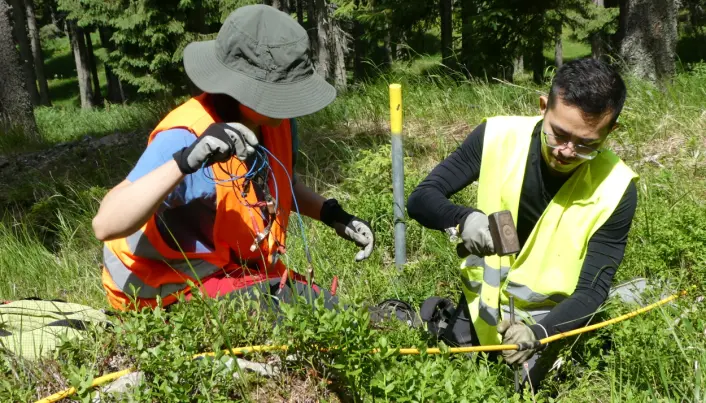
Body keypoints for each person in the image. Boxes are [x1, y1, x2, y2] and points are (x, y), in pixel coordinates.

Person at [91, 5, 375, 312]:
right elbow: (105, 224)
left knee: (324, 307)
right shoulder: (187, 135)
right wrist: (186, 162)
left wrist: (334, 216)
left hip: (231, 273)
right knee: (310, 312)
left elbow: (280, 185)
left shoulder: (274, 121)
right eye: (282, 91)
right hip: (159, 288)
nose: (291, 103)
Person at [406, 58, 638, 389]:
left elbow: (593, 290)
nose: (567, 152)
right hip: (479, 311)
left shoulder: (618, 188)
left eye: (587, 144)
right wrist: (463, 219)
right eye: (558, 134)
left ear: (611, 130)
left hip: (550, 324)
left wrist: (539, 334)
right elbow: (422, 198)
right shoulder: (498, 136)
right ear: (544, 107)